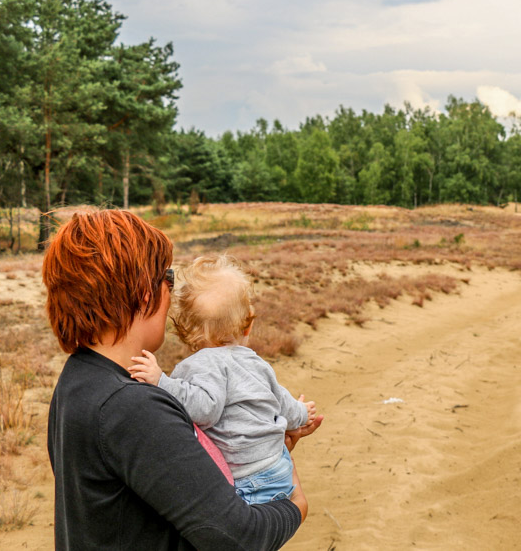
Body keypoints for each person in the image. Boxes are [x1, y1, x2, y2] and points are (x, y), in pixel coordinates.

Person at [44, 209, 319, 551]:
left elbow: (156, 488)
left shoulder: (80, 380)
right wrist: (294, 505)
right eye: (168, 279)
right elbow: (239, 537)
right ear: (145, 293)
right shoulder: (132, 408)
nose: (171, 293)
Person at [128, 254, 319, 505]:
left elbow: (205, 409)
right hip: (279, 469)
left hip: (246, 480)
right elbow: (281, 400)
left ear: (185, 332)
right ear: (247, 327)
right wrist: (303, 414)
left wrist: (162, 382)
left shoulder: (202, 364)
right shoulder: (254, 361)